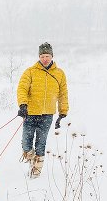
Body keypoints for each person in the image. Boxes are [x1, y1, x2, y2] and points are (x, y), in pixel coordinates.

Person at [16, 42, 69, 178]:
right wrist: (23, 105)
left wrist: (63, 113)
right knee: (26, 142)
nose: (45, 59)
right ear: (39, 57)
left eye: (47, 56)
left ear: (52, 56)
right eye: (42, 56)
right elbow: (22, 88)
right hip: (30, 113)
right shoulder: (30, 71)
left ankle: (36, 173)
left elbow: (63, 94)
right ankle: (32, 159)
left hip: (47, 115)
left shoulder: (59, 74)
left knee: (41, 143)